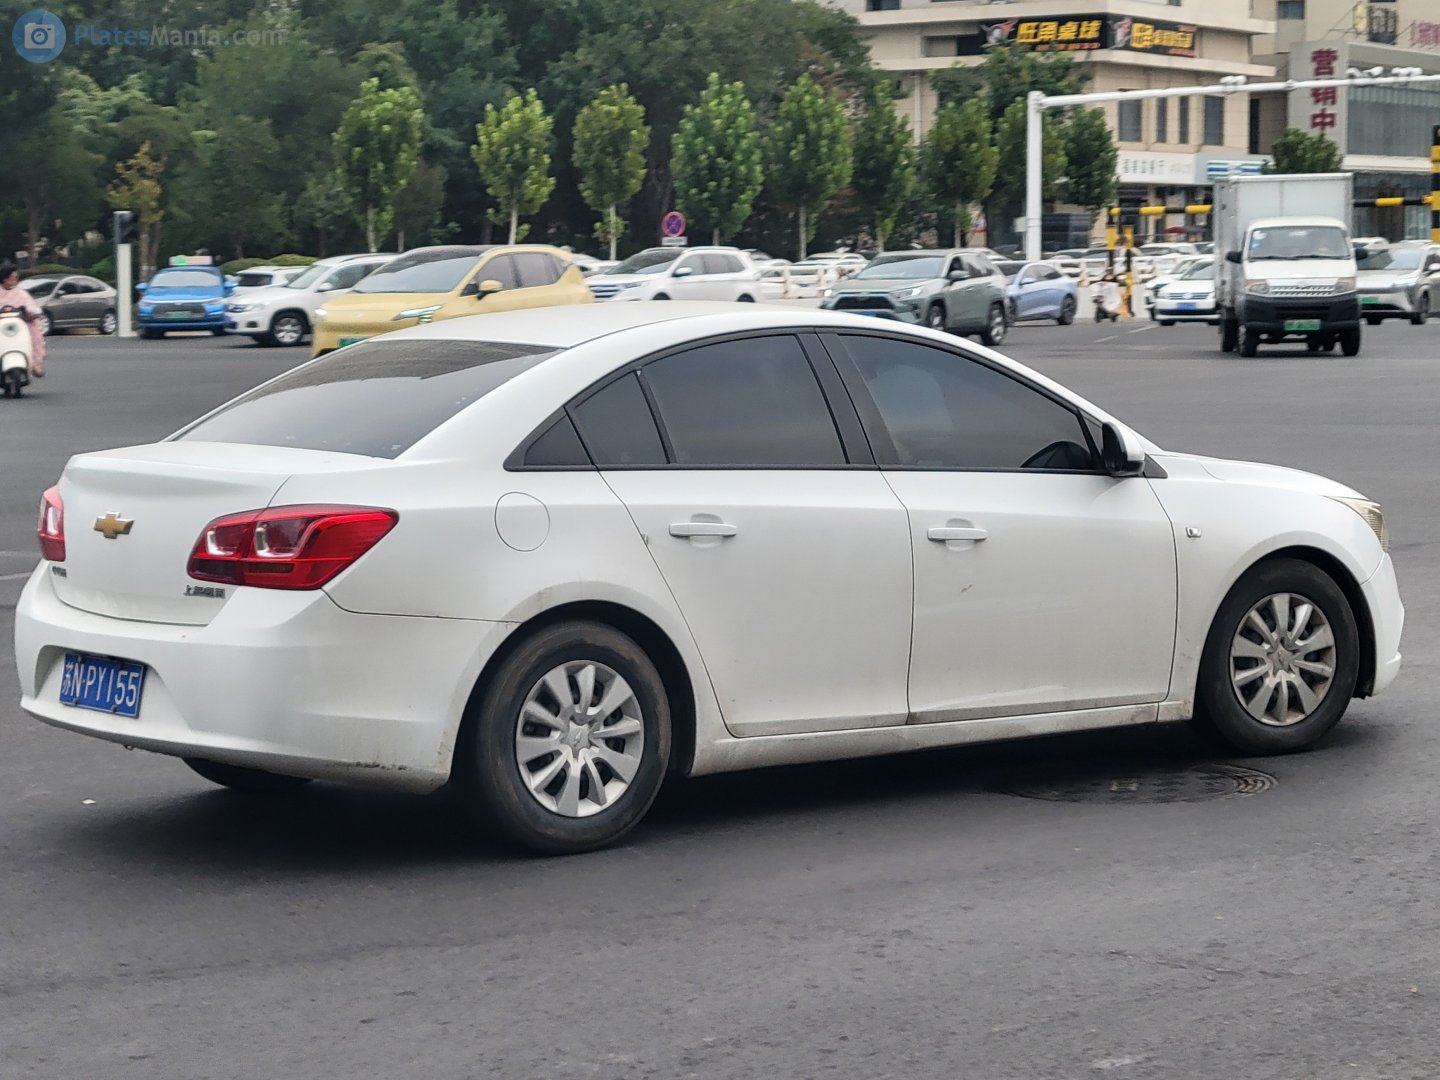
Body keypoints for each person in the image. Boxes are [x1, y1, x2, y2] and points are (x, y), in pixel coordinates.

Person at [0, 263, 45, 377]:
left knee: (34, 330)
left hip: (20, 327)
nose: (17, 280)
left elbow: (32, 307)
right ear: (5, 279)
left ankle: (35, 363)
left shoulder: (21, 293)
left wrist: (29, 314)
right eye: (14, 278)